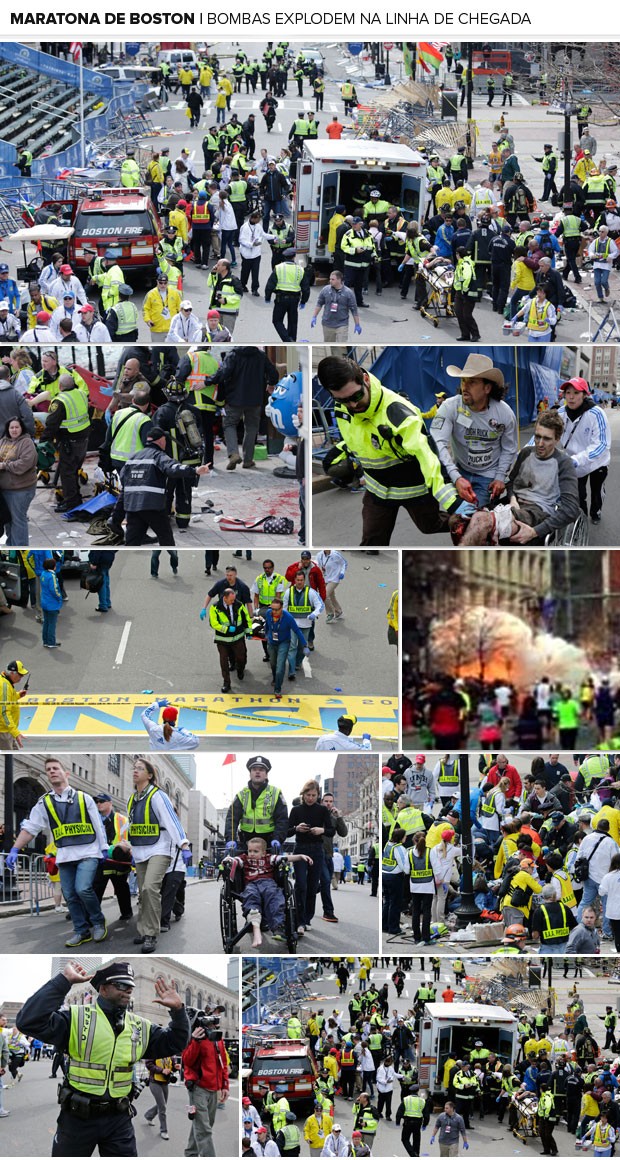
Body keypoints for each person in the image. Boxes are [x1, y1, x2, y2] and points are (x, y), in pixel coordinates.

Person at [17, 959, 190, 1157]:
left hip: (119, 1120)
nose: (128, 990)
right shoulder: (75, 1017)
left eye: (131, 986)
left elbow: (176, 1043)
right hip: (77, 1119)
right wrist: (63, 981)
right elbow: (28, 1021)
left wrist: (178, 1012)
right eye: (121, 985)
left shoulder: (141, 1026)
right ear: (103, 989)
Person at [318, 355, 463, 545]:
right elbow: (357, 437)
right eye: (343, 400)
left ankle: (458, 522)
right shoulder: (342, 406)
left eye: (356, 396)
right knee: (371, 540)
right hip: (378, 490)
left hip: (414, 489)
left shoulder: (397, 411)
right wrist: (340, 455)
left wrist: (453, 502)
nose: (352, 405)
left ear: (366, 380)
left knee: (430, 526)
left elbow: (428, 456)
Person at [6, 755, 108, 945]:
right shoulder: (44, 802)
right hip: (65, 856)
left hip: (88, 853)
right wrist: (14, 849)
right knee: (69, 895)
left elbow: (98, 825)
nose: (51, 771)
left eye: (55, 768)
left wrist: (103, 848)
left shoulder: (84, 798)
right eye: (48, 770)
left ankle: (98, 922)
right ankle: (81, 931)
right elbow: (31, 828)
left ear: (66, 773)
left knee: (83, 889)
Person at [457, 410, 581, 546]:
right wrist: (512, 498)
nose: (540, 443)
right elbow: (511, 482)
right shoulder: (526, 453)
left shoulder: (564, 463)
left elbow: (571, 509)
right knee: (460, 521)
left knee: (481, 521)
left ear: (557, 439)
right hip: (514, 504)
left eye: (546, 439)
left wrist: (535, 531)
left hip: (538, 511)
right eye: (537, 436)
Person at [431, 354, 518, 510]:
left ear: (487, 388)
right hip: (459, 471)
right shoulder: (449, 407)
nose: (465, 387)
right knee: (459, 520)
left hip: (488, 477)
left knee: (477, 523)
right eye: (463, 381)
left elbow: (509, 448)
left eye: (472, 382)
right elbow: (438, 443)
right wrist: (455, 476)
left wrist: (499, 478)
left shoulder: (505, 414)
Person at [127, 757, 193, 954]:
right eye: (134, 768)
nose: (135, 771)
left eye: (140, 768)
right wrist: (131, 848)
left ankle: (151, 934)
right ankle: (143, 929)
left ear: (149, 775)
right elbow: (132, 826)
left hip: (159, 849)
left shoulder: (158, 796)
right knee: (142, 894)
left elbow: (172, 820)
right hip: (140, 852)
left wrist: (183, 843)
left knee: (150, 889)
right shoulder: (133, 799)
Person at [120, 427, 209, 545]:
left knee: (132, 541)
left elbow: (122, 477)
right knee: (166, 537)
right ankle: (173, 559)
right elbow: (173, 468)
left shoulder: (133, 457)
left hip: (132, 506)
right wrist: (195, 471)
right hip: (152, 506)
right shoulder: (158, 455)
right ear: (161, 440)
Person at [228, 835, 311, 946]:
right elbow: (234, 860)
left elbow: (284, 858)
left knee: (274, 897)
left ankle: (277, 927)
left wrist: (300, 856)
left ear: (263, 853)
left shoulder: (269, 858)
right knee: (251, 896)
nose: (251, 853)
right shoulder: (244, 858)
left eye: (255, 851)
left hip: (268, 883)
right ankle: (255, 923)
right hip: (251, 884)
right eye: (250, 850)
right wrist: (227, 859)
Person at [210, 345, 279, 470]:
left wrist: (207, 381)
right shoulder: (260, 356)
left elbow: (223, 373)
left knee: (229, 424)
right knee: (251, 428)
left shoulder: (233, 355)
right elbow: (273, 373)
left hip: (234, 399)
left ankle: (233, 453)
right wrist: (271, 384)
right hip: (255, 400)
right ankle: (248, 460)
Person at [556, 377, 611, 525]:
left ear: (585, 394)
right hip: (574, 463)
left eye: (576, 392)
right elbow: (543, 431)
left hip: (597, 462)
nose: (571, 396)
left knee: (596, 492)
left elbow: (602, 444)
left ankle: (596, 512)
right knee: (578, 495)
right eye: (568, 392)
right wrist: (525, 451)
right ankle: (581, 521)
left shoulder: (597, 414)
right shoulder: (560, 413)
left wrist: (577, 459)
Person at [288, 780, 331, 935]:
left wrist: (322, 830)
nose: (310, 798)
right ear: (303, 794)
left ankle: (307, 919)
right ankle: (299, 921)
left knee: (312, 887)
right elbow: (287, 831)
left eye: (313, 795)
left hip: (317, 849)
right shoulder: (296, 810)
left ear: (318, 795)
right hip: (300, 849)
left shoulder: (322, 810)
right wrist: (296, 828)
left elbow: (332, 831)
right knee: (301, 884)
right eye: (308, 795)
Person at [44, 373, 91, 513]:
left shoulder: (60, 401)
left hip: (69, 442)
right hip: (84, 439)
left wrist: (44, 442)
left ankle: (71, 504)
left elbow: (51, 424)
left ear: (60, 386)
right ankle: (76, 498)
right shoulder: (82, 394)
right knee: (74, 469)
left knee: (67, 473)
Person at [224, 755, 289, 850]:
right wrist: (231, 839)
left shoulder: (276, 793)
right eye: (254, 769)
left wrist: (277, 839)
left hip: (270, 843)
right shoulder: (241, 795)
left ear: (266, 774)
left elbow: (282, 820)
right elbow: (232, 819)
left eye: (261, 769)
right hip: (246, 842)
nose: (257, 772)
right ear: (250, 774)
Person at [206, 585, 253, 693]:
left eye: (234, 599)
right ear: (225, 598)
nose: (233, 601)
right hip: (223, 640)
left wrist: (249, 631)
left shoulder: (239, 605)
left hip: (238, 637)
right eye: (231, 600)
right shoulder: (215, 607)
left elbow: (246, 618)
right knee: (223, 661)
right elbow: (213, 623)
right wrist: (226, 629)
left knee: (241, 658)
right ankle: (226, 683)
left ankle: (240, 670)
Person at [262, 596, 310, 700]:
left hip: (283, 643)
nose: (273, 611)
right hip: (271, 642)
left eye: (276, 610)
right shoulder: (268, 613)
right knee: (273, 664)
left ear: (282, 608)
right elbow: (267, 625)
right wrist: (266, 634)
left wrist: (305, 645)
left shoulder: (288, 618)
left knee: (280, 667)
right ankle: (275, 678)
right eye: (272, 609)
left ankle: (277, 689)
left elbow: (297, 631)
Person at [0, 415, 37, 545]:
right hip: (5, 489)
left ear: (22, 428)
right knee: (8, 520)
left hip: (21, 489)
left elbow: (24, 464)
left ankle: (20, 546)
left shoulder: (27, 442)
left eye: (17, 427)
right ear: (8, 429)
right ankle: (11, 546)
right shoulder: (3, 441)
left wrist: (5, 465)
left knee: (18, 519)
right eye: (11, 427)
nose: (14, 430)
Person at [264, 248, 311, 342]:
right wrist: (303, 301)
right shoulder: (300, 270)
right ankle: (292, 340)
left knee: (277, 321)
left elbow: (270, 284)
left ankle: (287, 340)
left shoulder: (278, 268)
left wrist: (268, 297)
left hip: (281, 299)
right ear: (294, 257)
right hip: (295, 299)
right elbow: (306, 288)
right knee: (293, 322)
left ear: (284, 257)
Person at [311, 270, 361, 342]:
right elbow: (319, 303)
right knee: (329, 345)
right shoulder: (325, 290)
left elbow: (354, 310)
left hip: (342, 324)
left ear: (339, 280)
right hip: (327, 324)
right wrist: (314, 317)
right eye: (330, 279)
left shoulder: (348, 293)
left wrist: (357, 324)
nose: (330, 281)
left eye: (333, 279)